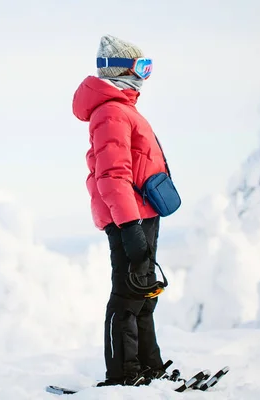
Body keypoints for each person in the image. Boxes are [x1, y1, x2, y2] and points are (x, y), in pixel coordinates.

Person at [72, 34, 171, 387]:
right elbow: (112, 177)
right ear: (122, 70)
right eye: (142, 66)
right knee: (127, 296)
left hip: (141, 214)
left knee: (143, 295)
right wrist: (129, 228)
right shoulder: (112, 111)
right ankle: (123, 373)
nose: (145, 75)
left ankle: (149, 367)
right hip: (130, 218)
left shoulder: (122, 108)